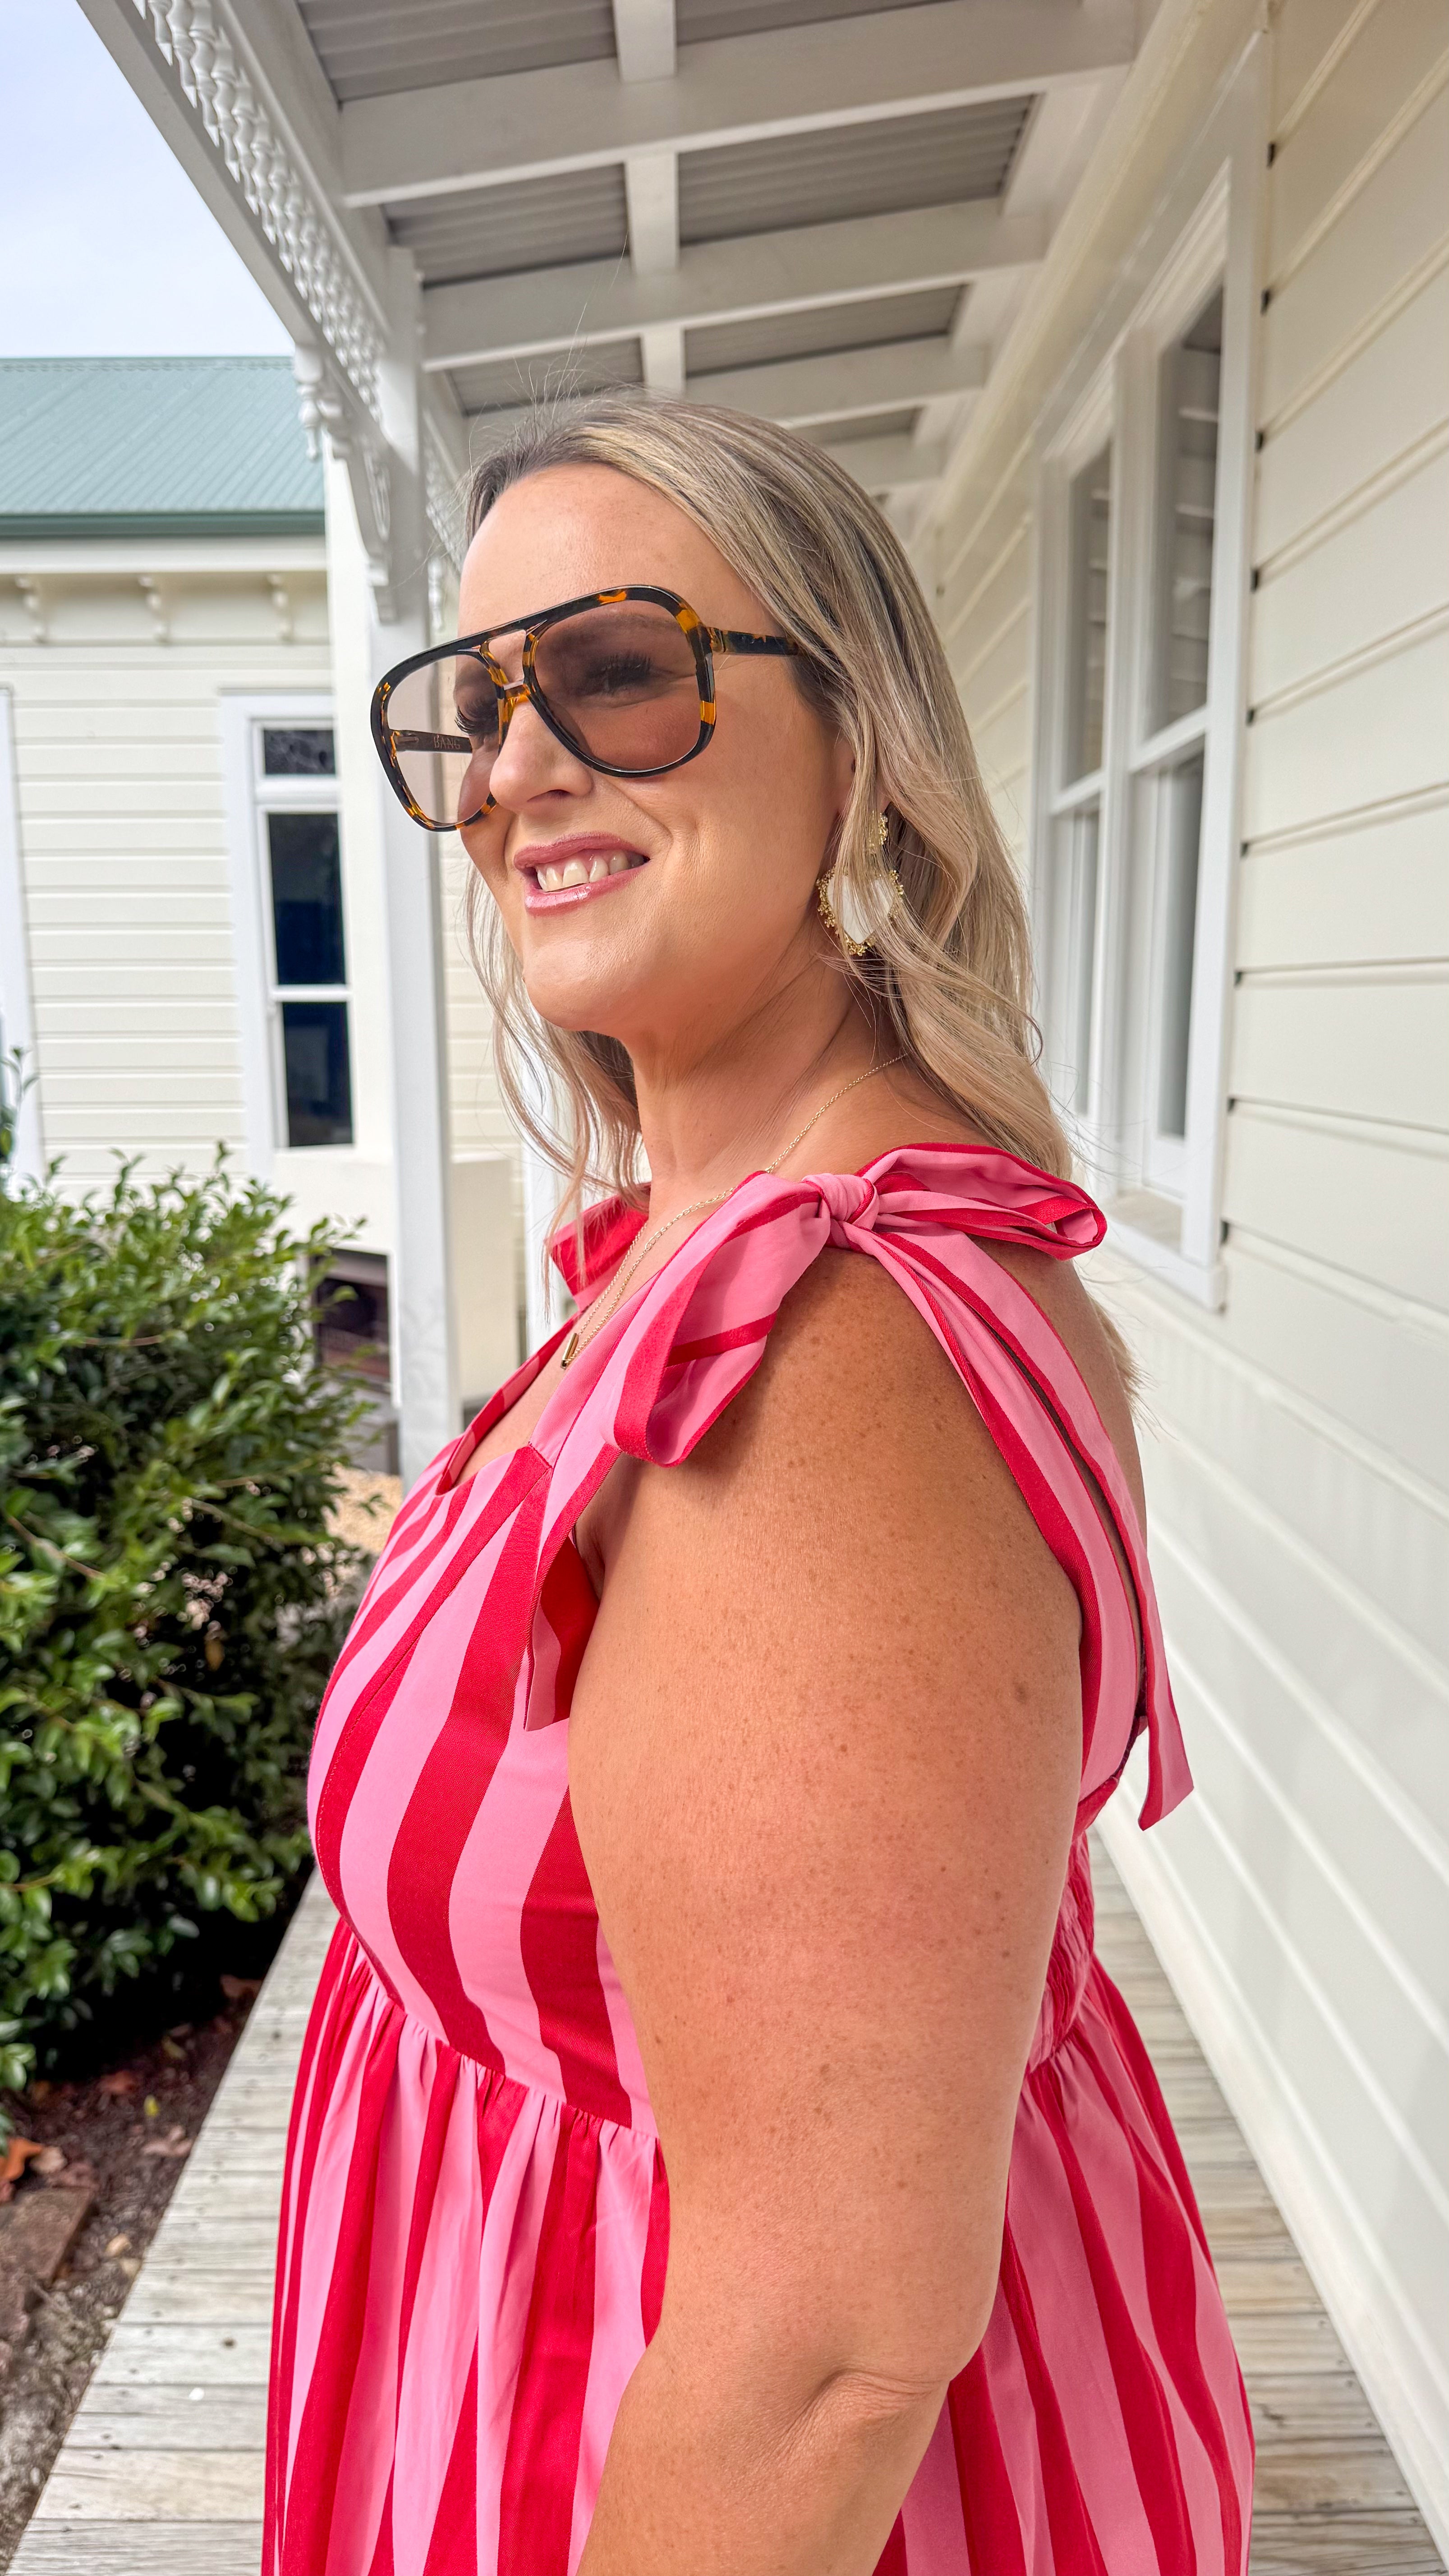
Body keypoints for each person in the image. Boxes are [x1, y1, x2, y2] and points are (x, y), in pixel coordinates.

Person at [266, 393, 1252, 2576]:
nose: (515, 773)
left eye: (617, 671)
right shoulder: (702, 1248)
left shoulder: (815, 1359)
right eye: (474, 710)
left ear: (862, 742)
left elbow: (822, 2364)